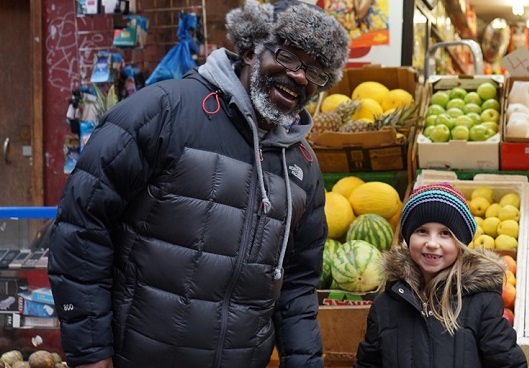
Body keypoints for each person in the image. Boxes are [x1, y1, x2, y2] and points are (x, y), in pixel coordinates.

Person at [47, 1, 349, 367]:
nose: (299, 76)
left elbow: (298, 287)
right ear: (252, 49)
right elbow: (81, 225)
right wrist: (91, 353)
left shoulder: (303, 167)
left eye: (315, 71)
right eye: (286, 56)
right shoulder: (165, 111)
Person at [354, 183, 528, 368]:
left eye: (445, 233)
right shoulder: (386, 305)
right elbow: (368, 363)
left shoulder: (482, 302)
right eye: (422, 231)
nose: (432, 243)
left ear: (460, 243)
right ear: (408, 237)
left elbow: (507, 362)